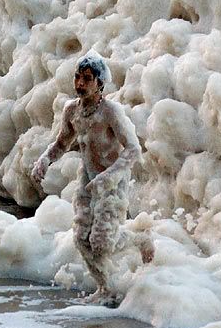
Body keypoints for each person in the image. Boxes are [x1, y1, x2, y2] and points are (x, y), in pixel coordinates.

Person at [30, 50, 154, 306]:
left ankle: (140, 239)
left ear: (100, 83)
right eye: (77, 77)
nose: (80, 83)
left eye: (87, 78)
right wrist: (45, 159)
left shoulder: (110, 112)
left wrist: (109, 177)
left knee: (101, 242)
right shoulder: (71, 110)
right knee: (81, 239)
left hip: (113, 184)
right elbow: (62, 143)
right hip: (87, 181)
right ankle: (106, 288)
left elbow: (133, 149)